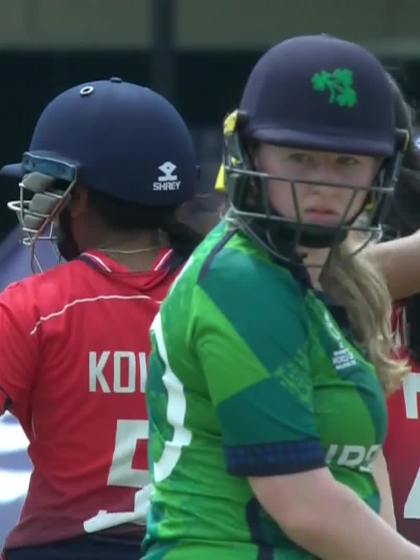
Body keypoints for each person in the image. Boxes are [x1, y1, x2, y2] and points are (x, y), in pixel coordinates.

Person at [142, 35, 420, 559]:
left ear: (380, 170)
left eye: (347, 163)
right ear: (250, 153)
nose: (323, 185)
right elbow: (304, 507)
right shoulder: (241, 281)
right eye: (299, 156)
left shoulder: (306, 280)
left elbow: (356, 473)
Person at [0, 78, 200, 560]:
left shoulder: (32, 307)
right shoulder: (221, 299)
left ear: (81, 198)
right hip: (197, 547)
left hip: (61, 549)